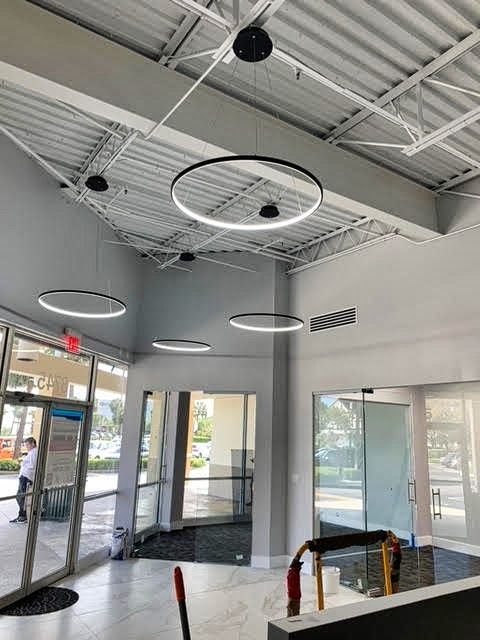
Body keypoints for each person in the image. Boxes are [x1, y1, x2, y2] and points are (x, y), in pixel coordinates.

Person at [10, 437, 37, 523]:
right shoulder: (32, 452)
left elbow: (33, 465)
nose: (26, 446)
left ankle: (23, 516)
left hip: (26, 477)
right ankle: (21, 515)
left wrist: (23, 464)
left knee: (21, 497)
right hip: (24, 476)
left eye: (27, 444)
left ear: (33, 443)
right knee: (20, 496)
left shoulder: (34, 452)